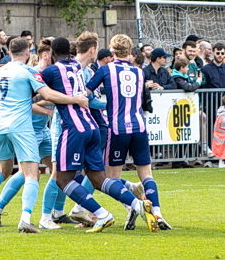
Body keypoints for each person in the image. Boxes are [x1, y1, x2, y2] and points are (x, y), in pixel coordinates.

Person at [0, 37, 88, 233]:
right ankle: (26, 219)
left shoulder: (1, 70)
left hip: (1, 125)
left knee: (2, 171)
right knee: (31, 174)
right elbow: (46, 95)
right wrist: (75, 99)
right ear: (29, 52)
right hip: (22, 127)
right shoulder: (29, 71)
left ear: (9, 52)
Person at [42, 37, 158, 233]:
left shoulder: (52, 70)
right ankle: (137, 204)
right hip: (94, 126)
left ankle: (100, 214)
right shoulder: (78, 68)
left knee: (62, 178)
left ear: (51, 54)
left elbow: (40, 91)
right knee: (98, 178)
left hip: (73, 128)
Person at [86, 34, 168, 231]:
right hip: (139, 126)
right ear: (131, 52)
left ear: (112, 52)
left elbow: (86, 94)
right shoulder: (140, 72)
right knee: (146, 174)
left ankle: (134, 206)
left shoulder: (105, 69)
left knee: (111, 177)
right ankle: (157, 212)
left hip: (117, 128)